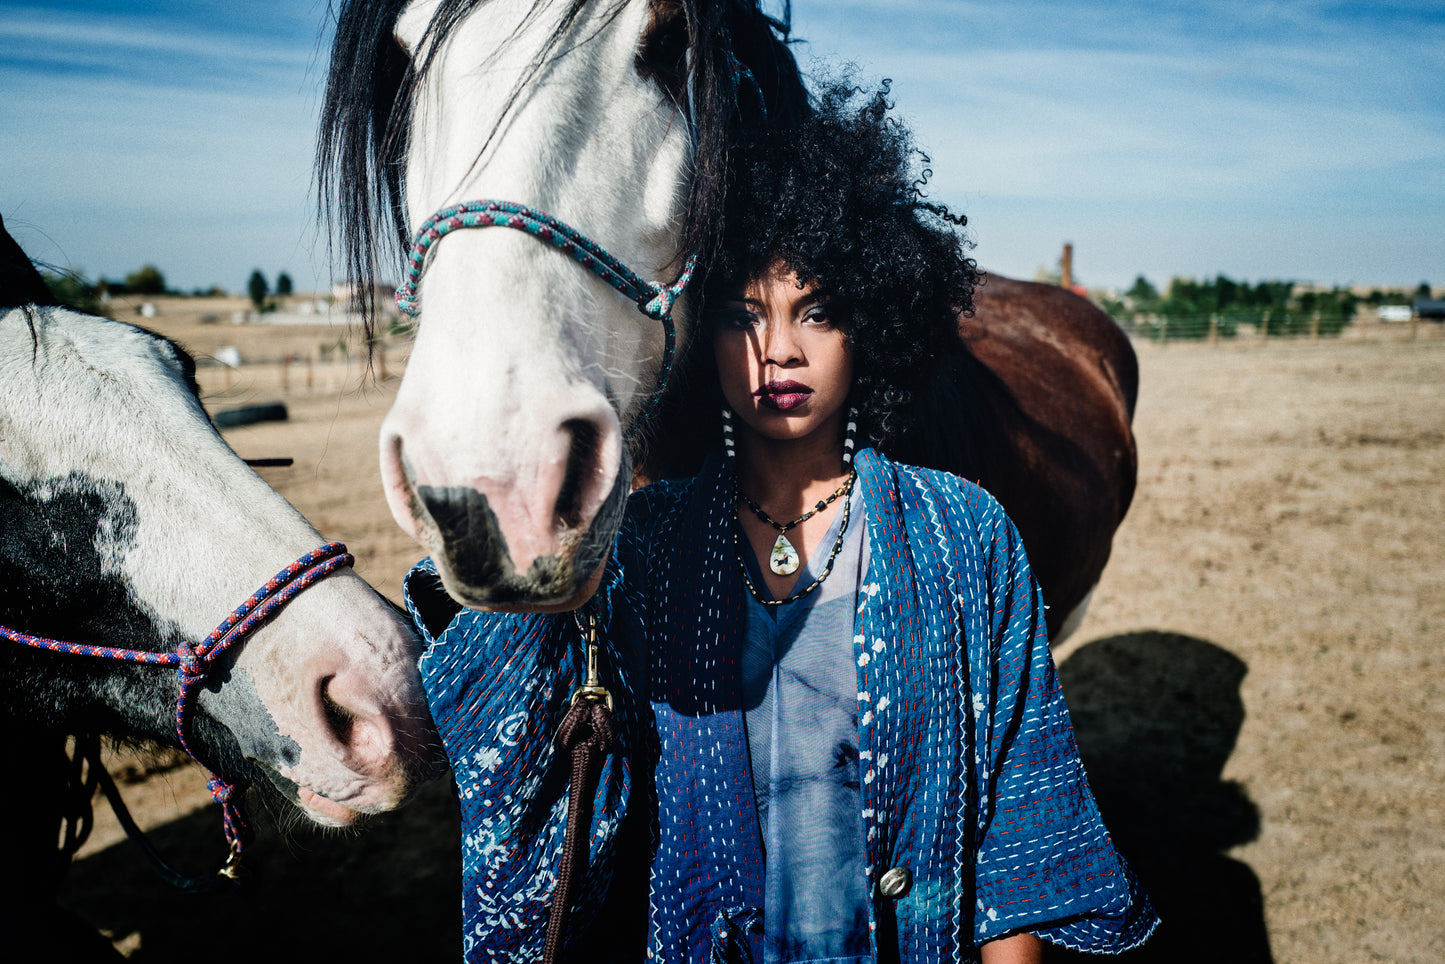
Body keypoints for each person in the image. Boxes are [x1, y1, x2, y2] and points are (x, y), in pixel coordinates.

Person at [403, 81, 1157, 964]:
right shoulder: (639, 549)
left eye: (818, 311)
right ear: (698, 334)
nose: (779, 351)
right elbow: (505, 707)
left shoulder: (967, 534)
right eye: (743, 316)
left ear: (872, 321)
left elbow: (1015, 814)